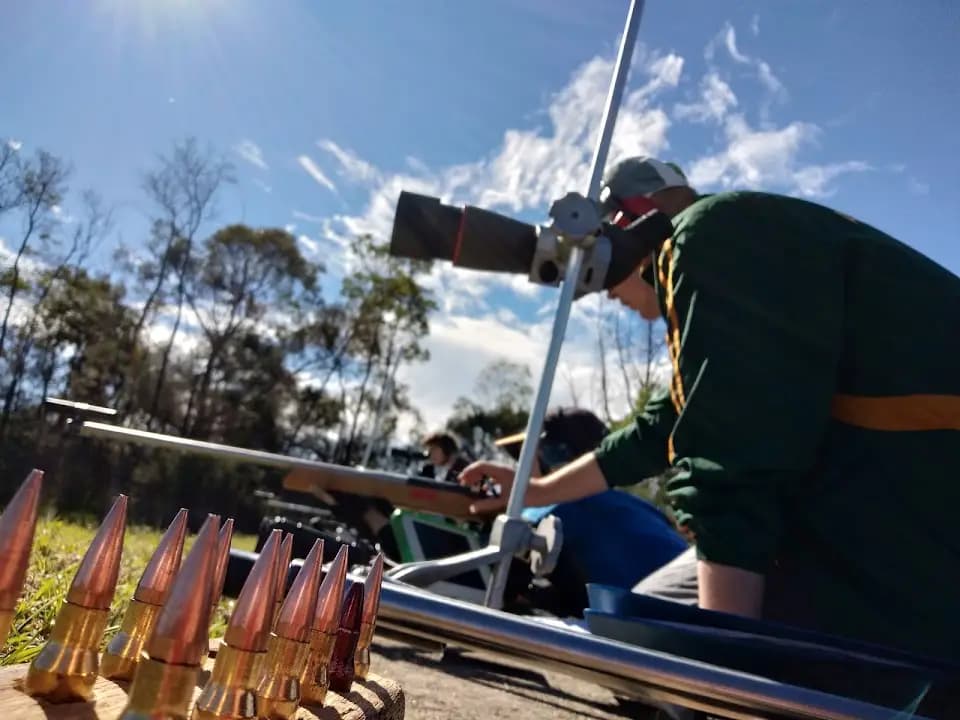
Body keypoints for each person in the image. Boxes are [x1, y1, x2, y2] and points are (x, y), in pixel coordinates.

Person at [460, 156, 960, 662]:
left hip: (921, 515)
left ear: (627, 220)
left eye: (601, 269)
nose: (608, 294)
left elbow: (733, 455)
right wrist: (536, 490)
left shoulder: (707, 234)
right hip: (913, 494)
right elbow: (664, 427)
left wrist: (721, 679)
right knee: (638, 625)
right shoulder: (752, 244)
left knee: (647, 644)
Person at [495, 407, 688, 610]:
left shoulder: (551, 512)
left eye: (524, 457)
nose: (520, 469)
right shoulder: (645, 509)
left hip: (643, 631)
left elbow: (499, 578)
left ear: (551, 457)